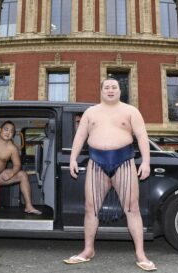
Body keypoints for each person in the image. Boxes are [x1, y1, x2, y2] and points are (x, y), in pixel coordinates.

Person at [63, 78, 157, 271]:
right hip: (96, 163)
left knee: (132, 208)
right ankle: (88, 250)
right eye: (107, 87)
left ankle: (140, 253)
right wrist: (72, 159)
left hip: (124, 162)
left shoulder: (131, 111)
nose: (111, 90)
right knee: (91, 208)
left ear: (119, 91)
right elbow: (80, 136)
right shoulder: (90, 112)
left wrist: (146, 162)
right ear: (101, 91)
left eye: (114, 87)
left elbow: (141, 136)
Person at [0, 120, 42, 215]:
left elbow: (17, 165)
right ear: (0, 130)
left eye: (11, 131)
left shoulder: (12, 148)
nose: (8, 133)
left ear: (13, 135)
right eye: (6, 129)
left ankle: (28, 206)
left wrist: (12, 172)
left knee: (23, 175)